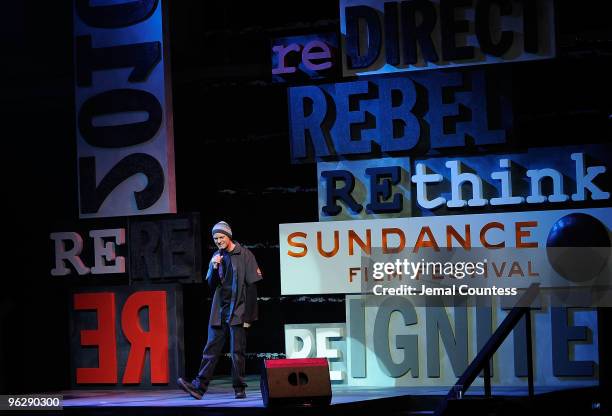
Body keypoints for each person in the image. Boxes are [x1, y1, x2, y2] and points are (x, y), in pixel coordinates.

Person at [178, 221, 263, 399]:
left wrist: (249, 316)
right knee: (210, 350)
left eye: (221, 237)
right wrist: (214, 268)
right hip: (220, 312)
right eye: (215, 238)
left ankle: (239, 388)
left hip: (238, 312)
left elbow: (253, 287)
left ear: (229, 236)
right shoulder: (217, 256)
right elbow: (211, 285)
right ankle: (199, 387)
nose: (218, 241)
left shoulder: (245, 255)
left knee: (237, 353)